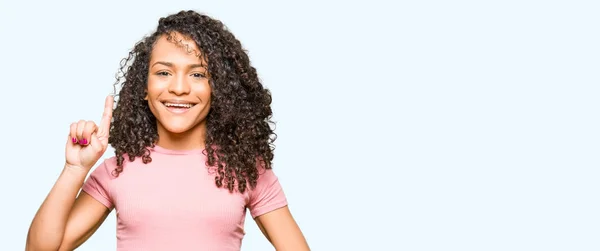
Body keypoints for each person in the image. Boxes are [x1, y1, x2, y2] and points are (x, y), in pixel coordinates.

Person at [26, 10, 310, 251]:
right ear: (144, 89)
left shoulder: (246, 170)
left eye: (198, 74)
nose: (179, 87)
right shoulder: (117, 170)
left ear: (218, 89)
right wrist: (74, 169)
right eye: (164, 72)